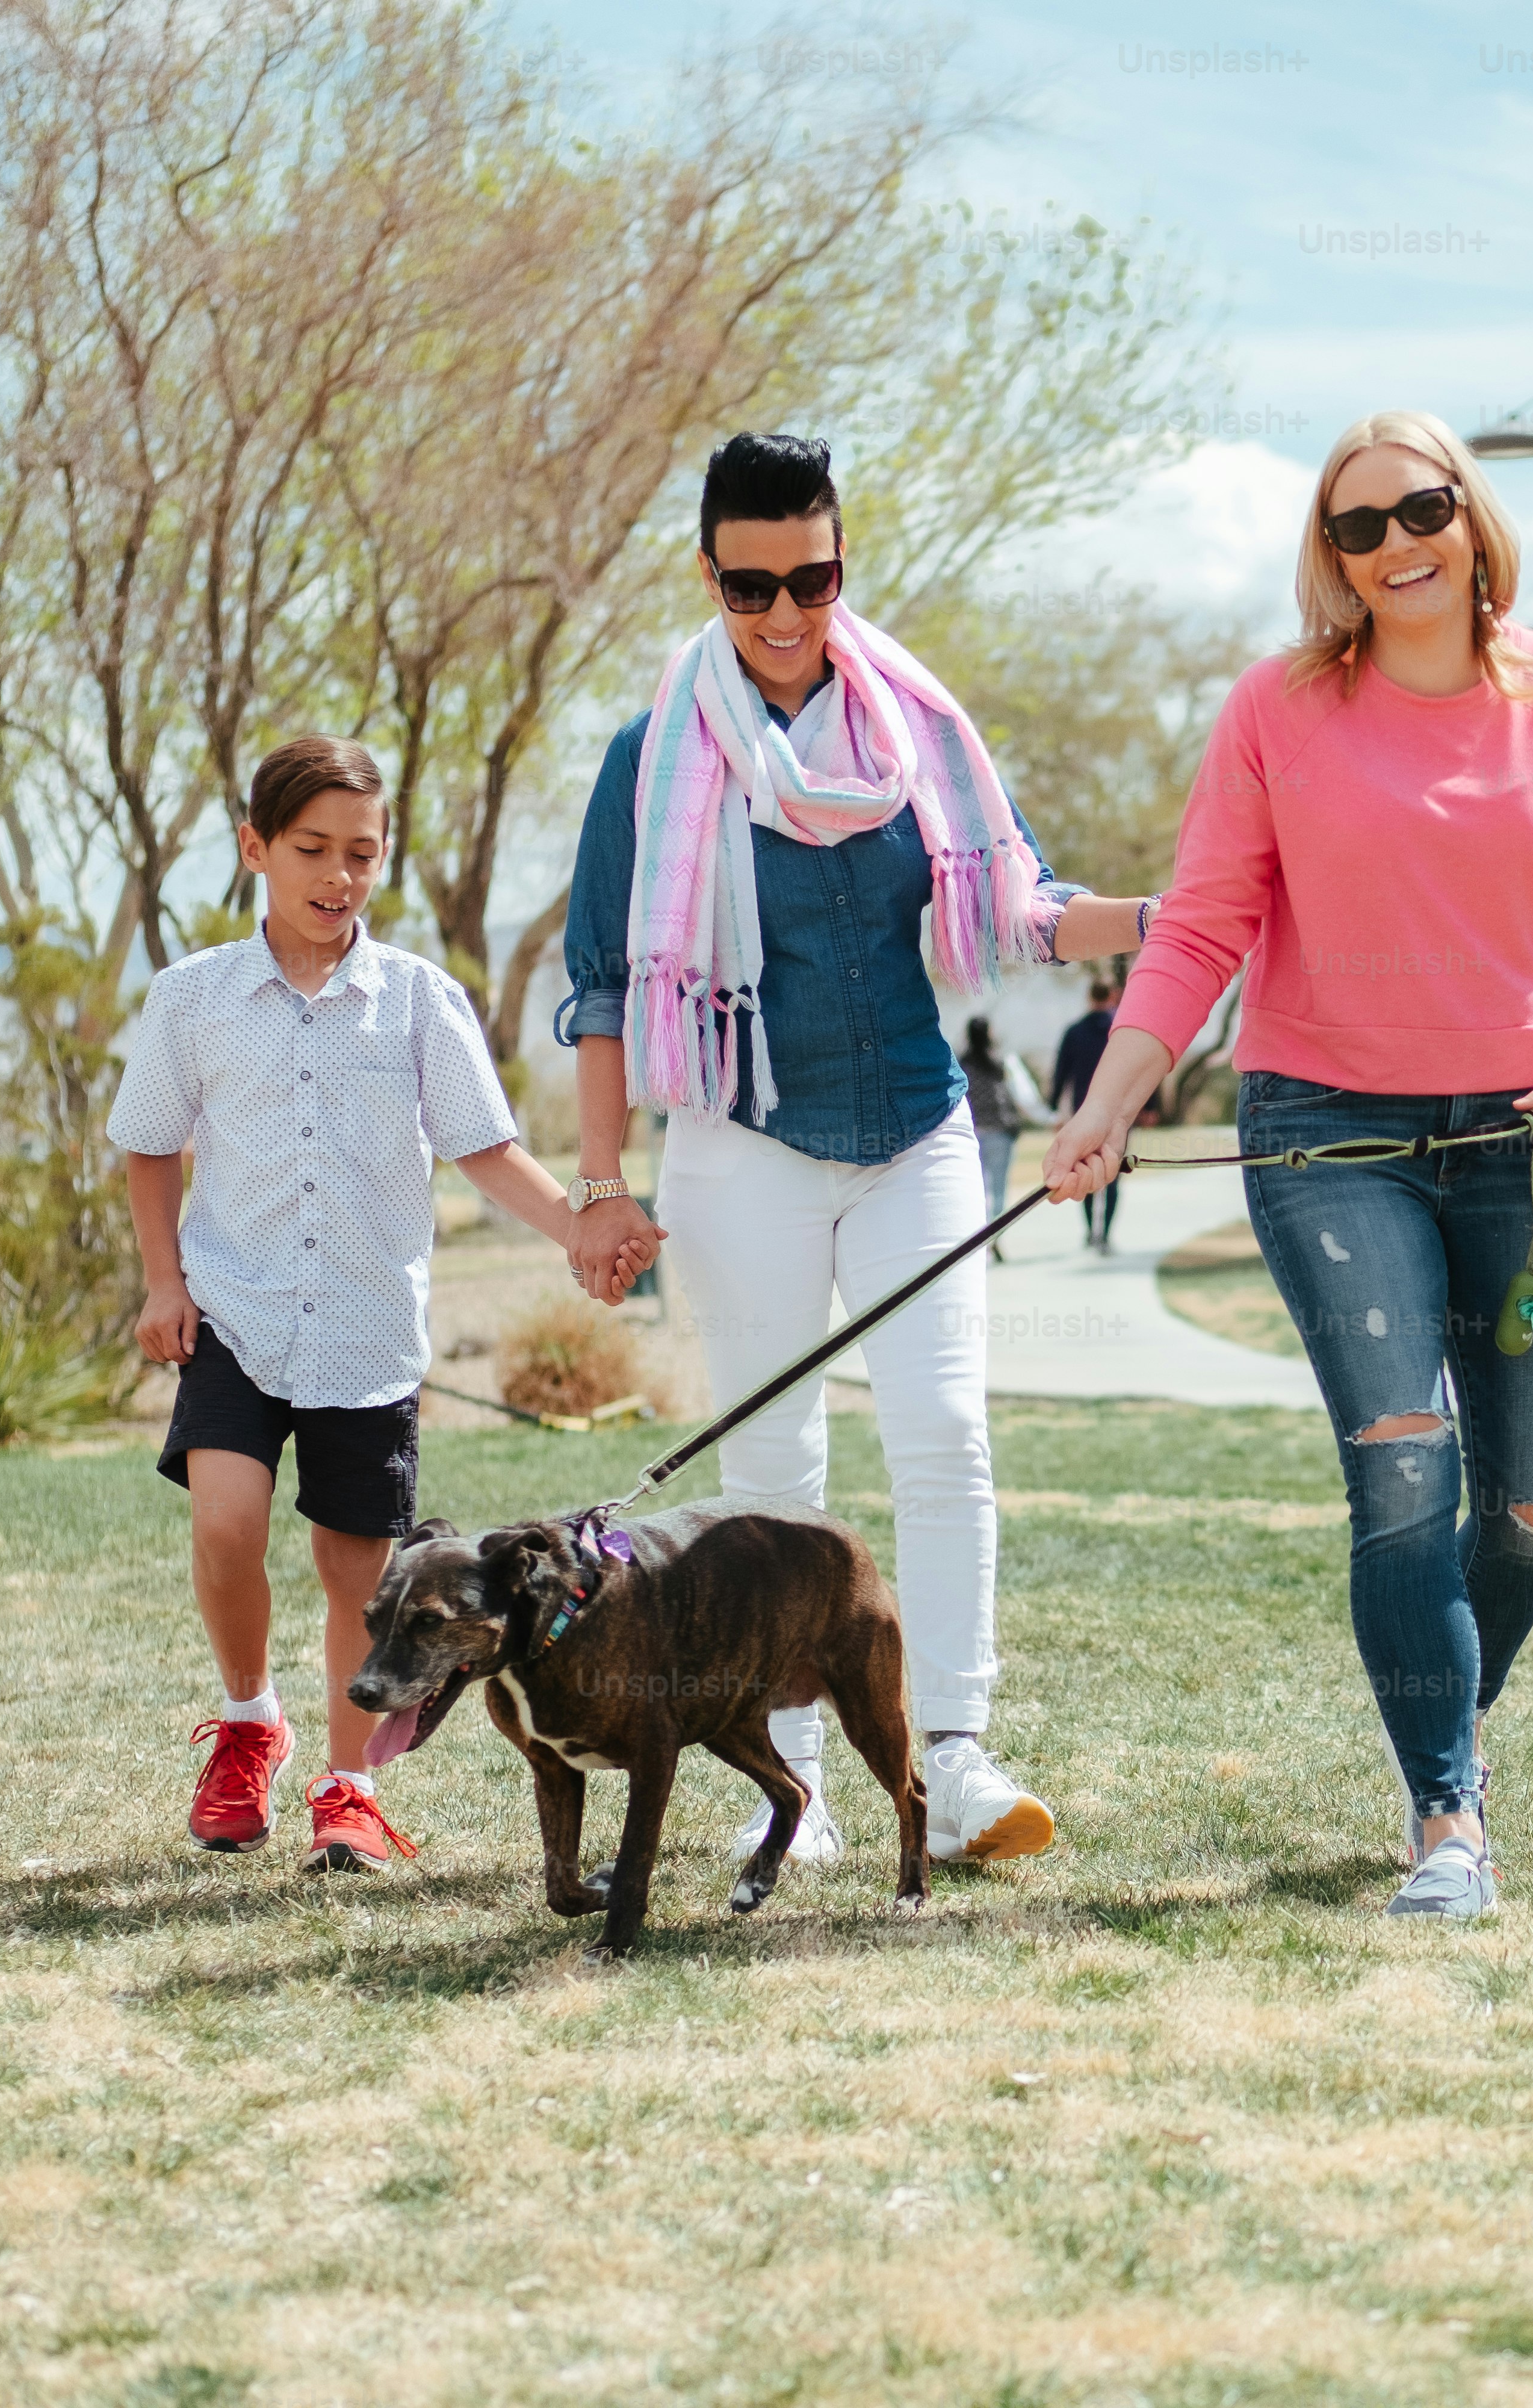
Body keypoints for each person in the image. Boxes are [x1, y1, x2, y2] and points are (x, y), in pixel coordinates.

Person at [1043, 410, 1533, 1923]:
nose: (1394, 547)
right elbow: (1197, 927)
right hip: (1327, 1136)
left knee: (1532, 1506)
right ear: (1330, 557)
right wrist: (1114, 1099)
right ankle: (1447, 1810)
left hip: (1521, 1134)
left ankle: (1440, 1703)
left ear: (1471, 515)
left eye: (1420, 510)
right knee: (1402, 1466)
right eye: (1356, 528)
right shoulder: (1281, 709)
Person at [559, 431, 1159, 1872]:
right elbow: (599, 980)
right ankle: (807, 1784)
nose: (782, 614)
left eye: (811, 579)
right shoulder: (653, 759)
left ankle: (949, 1758)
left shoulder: (920, 736)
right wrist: (597, 1182)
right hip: (739, 1144)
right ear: (707, 576)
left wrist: (1184, 909)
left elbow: (1026, 904)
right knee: (777, 1479)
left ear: (843, 566)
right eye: (750, 585)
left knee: (947, 1438)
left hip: (913, 1130)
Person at [116, 736, 605, 1872]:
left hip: (368, 1333)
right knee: (225, 1521)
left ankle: (349, 1790)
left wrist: (579, 1227)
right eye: (313, 850)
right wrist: (161, 1280)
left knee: (358, 1581)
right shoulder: (193, 998)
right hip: (235, 1313)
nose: (340, 876)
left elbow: (484, 1150)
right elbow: (149, 1148)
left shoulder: (421, 1003)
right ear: (256, 849)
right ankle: (250, 1725)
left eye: (363, 854)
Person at [1050, 975, 1124, 1255]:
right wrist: (1150, 1107)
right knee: (1112, 1173)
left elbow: (1061, 1073)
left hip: (1085, 1112)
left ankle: (1091, 1232)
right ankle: (1105, 1234)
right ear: (1111, 998)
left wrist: (1054, 1106)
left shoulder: (1075, 1031)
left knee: (1088, 1173)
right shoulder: (1119, 1029)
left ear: (1090, 998)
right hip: (1118, 1113)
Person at [959, 1015, 1041, 1261]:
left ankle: (978, 1236)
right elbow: (1024, 1096)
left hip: (972, 1133)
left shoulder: (961, 1064)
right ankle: (994, 1236)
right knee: (999, 1188)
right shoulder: (1001, 1063)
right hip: (999, 1132)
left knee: (977, 1189)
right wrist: (1047, 1117)